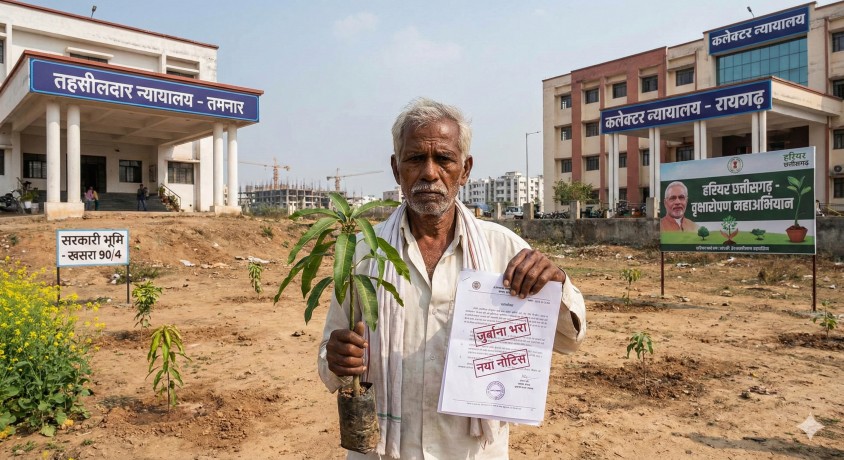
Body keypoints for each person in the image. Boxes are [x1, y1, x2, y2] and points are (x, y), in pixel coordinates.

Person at [318, 98, 586, 459]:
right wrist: (337, 358)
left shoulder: (502, 249)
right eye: (415, 159)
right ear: (397, 169)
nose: (430, 173)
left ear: (465, 169)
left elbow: (570, 341)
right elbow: (329, 356)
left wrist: (557, 285)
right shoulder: (363, 253)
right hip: (385, 451)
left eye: (443, 159)